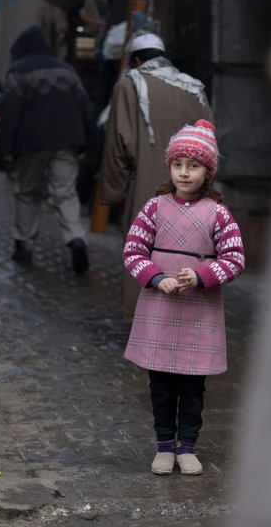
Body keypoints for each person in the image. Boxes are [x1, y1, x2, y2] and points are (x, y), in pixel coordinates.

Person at [122, 119, 245, 476]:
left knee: (192, 386)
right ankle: (163, 447)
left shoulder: (219, 213)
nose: (184, 173)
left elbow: (235, 258)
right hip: (159, 308)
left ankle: (187, 447)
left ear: (208, 171)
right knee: (160, 385)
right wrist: (156, 277)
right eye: (178, 165)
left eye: (193, 166)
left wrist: (203, 275)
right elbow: (133, 250)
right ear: (170, 167)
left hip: (199, 311)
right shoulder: (155, 207)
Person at [100, 32, 213, 323]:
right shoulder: (194, 88)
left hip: (149, 187)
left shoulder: (129, 85)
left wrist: (111, 191)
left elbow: (118, 145)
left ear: (136, 61)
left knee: (145, 249)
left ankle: (143, 320)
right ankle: (183, 318)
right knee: (189, 249)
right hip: (194, 191)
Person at [0, 25, 97, 273]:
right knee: (65, 193)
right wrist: (93, 143)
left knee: (28, 192)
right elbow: (86, 109)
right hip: (67, 141)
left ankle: (25, 245)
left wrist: (6, 146)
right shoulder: (67, 71)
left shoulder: (17, 72)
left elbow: (10, 113)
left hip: (30, 143)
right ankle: (76, 238)